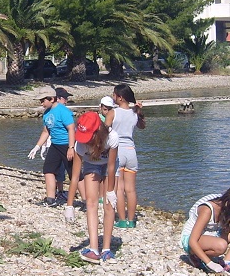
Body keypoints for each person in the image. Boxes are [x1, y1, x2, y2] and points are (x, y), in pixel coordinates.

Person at [65, 111, 119, 263]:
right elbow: (75, 176)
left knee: (109, 204)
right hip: (91, 165)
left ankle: (107, 250)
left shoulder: (112, 137)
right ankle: (94, 249)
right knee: (91, 202)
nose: (86, 141)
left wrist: (110, 191)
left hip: (109, 166)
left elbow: (111, 167)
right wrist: (69, 205)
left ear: (98, 131)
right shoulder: (80, 144)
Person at [106, 84, 146, 229]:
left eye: (114, 94)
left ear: (120, 97)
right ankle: (131, 220)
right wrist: (139, 111)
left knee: (119, 189)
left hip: (118, 151)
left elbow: (104, 130)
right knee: (131, 189)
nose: (113, 96)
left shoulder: (113, 112)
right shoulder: (134, 113)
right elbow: (142, 126)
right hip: (131, 151)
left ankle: (122, 220)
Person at [27, 86, 74, 206]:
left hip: (66, 144)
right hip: (55, 145)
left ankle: (86, 201)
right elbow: (46, 131)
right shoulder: (47, 113)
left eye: (43, 100)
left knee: (74, 173)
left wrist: (71, 147)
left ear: (52, 99)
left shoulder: (63, 111)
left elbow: (71, 129)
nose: (41, 103)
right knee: (48, 170)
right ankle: (51, 199)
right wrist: (37, 147)